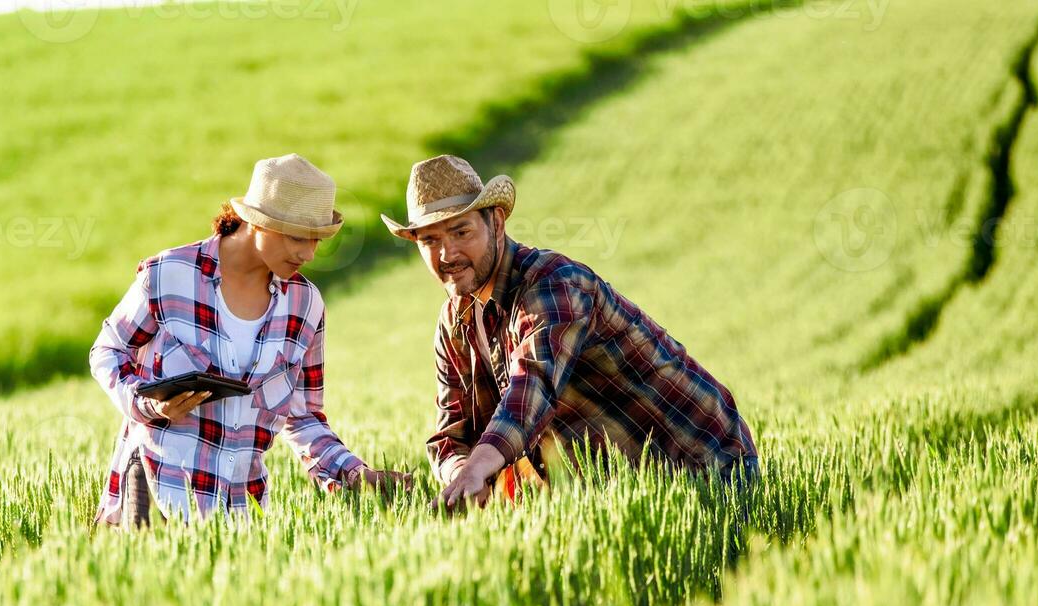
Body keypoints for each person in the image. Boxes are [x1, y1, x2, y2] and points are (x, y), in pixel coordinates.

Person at [380, 155, 759, 511]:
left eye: (461, 231)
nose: (447, 253)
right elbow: (451, 436)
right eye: (429, 240)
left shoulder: (554, 285)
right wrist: (460, 481)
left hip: (704, 467)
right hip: (617, 493)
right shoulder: (454, 323)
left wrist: (478, 469)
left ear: (496, 222)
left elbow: (532, 387)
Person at [91, 153, 409, 526]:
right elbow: (107, 351)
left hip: (241, 513)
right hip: (153, 496)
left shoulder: (305, 306)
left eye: (317, 240)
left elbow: (303, 417)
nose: (307, 254)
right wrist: (149, 406)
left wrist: (357, 475)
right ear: (256, 223)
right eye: (296, 238)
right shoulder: (170, 275)